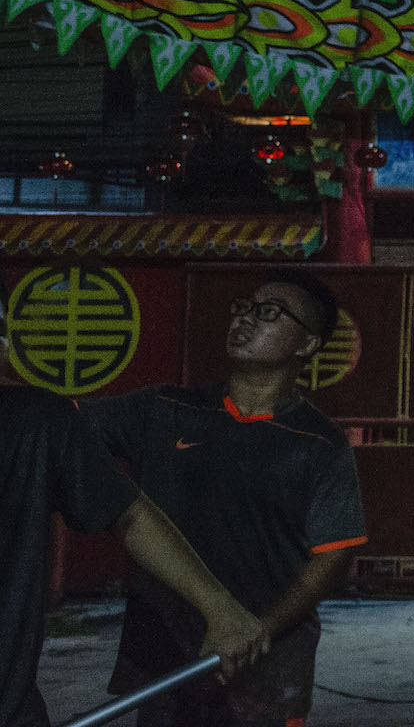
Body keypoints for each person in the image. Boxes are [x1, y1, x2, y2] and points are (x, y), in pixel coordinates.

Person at [84, 268, 366, 727]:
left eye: (270, 313)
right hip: (166, 653)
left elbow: (333, 557)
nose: (247, 319)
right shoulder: (164, 410)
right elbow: (59, 425)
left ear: (307, 345)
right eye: (245, 308)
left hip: (263, 666)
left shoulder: (319, 444)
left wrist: (255, 629)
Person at [1, 297, 268, 727]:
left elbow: (128, 514)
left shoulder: (37, 421)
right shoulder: (39, 419)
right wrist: (223, 609)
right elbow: (130, 516)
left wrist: (220, 609)